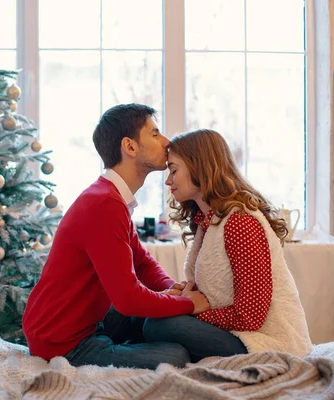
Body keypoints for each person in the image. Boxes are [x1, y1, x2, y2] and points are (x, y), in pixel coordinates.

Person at [22, 104, 210, 369]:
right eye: (155, 134)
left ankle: (121, 346)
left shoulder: (112, 198)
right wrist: (186, 305)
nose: (167, 142)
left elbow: (142, 263)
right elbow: (128, 298)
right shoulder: (104, 205)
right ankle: (115, 349)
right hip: (62, 342)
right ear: (130, 147)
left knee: (159, 321)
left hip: (91, 321)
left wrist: (174, 290)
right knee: (176, 357)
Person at [143, 129, 313, 361]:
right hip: (238, 332)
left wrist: (192, 309)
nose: (168, 180)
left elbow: (250, 317)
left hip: (264, 341)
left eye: (173, 170)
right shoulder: (209, 221)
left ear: (198, 166)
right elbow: (217, 289)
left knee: (158, 326)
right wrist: (185, 297)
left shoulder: (240, 223)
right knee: (149, 318)